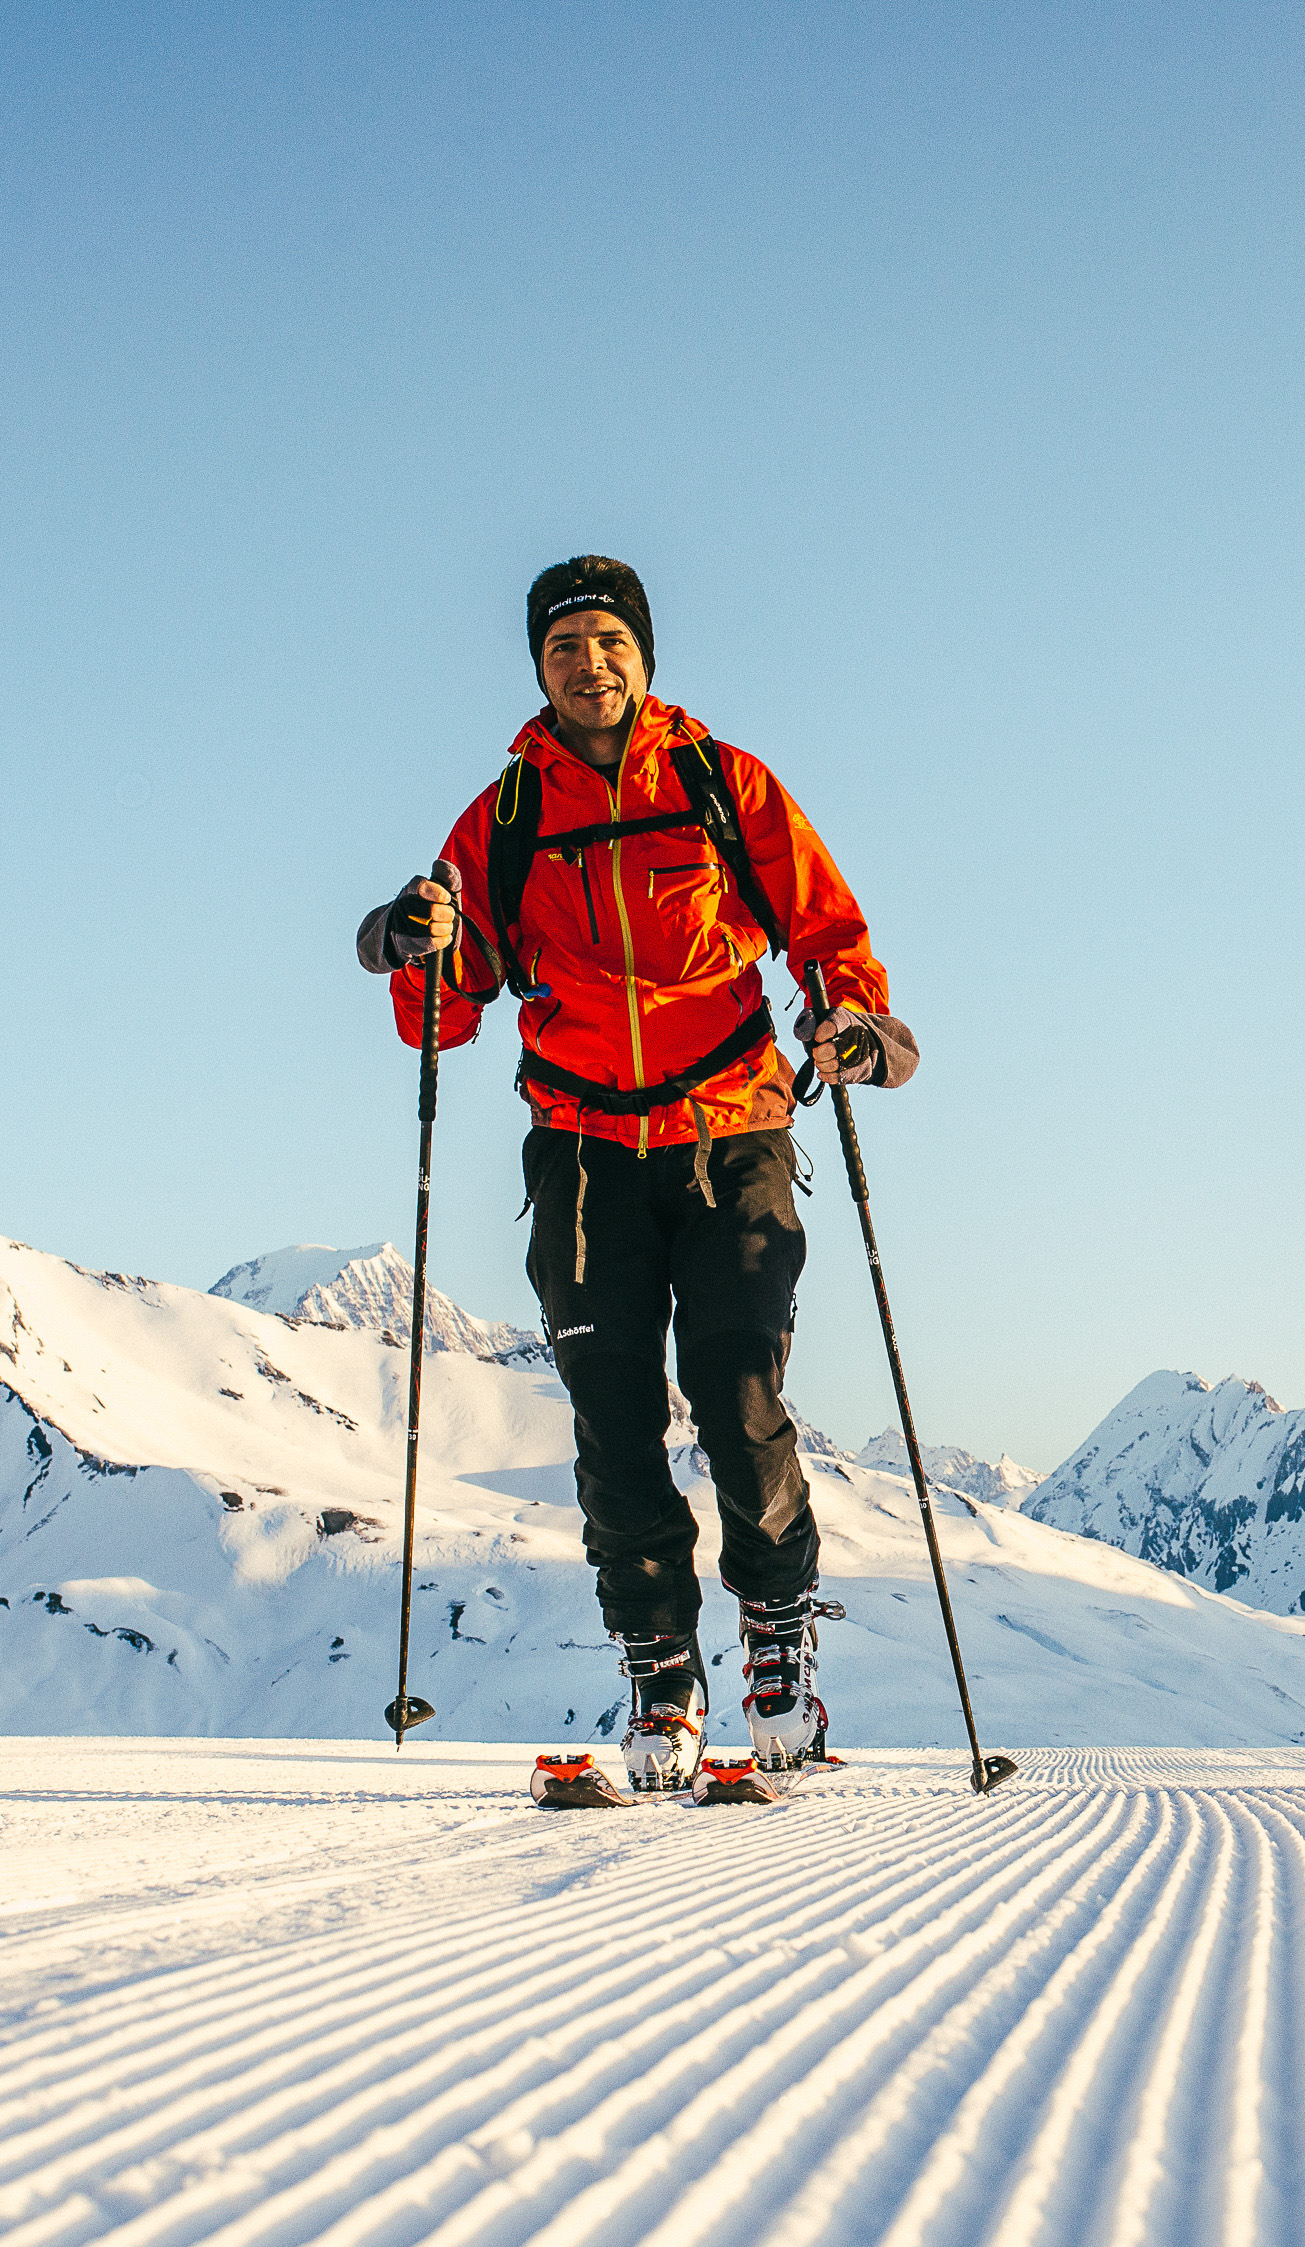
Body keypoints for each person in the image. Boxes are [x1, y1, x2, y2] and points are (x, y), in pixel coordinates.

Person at [356, 556, 916, 1804]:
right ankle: (662, 1670)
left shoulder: (724, 785)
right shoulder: (504, 818)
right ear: (540, 671)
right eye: (564, 648)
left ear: (644, 658)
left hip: (733, 1137)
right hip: (585, 1152)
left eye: (609, 641)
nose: (588, 663)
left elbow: (830, 938)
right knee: (612, 1419)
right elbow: (446, 1010)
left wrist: (857, 1027)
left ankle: (776, 1647)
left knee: (736, 1394)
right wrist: (416, 943)